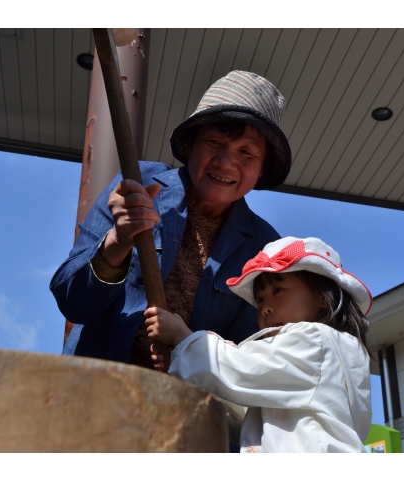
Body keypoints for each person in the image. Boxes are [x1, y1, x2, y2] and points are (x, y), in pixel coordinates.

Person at [50, 71, 291, 369]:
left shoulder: (265, 247)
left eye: (246, 153)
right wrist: (118, 240)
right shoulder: (136, 184)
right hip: (95, 392)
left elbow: (249, 359)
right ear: (191, 145)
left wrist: (188, 350)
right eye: (214, 142)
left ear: (262, 169)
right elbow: (73, 301)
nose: (226, 162)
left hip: (188, 407)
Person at [145, 237, 373, 452]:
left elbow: (238, 368)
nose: (266, 307)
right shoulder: (295, 369)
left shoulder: (316, 342)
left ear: (323, 296)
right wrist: (183, 369)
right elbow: (241, 413)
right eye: (261, 298)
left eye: (278, 290)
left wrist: (183, 340)